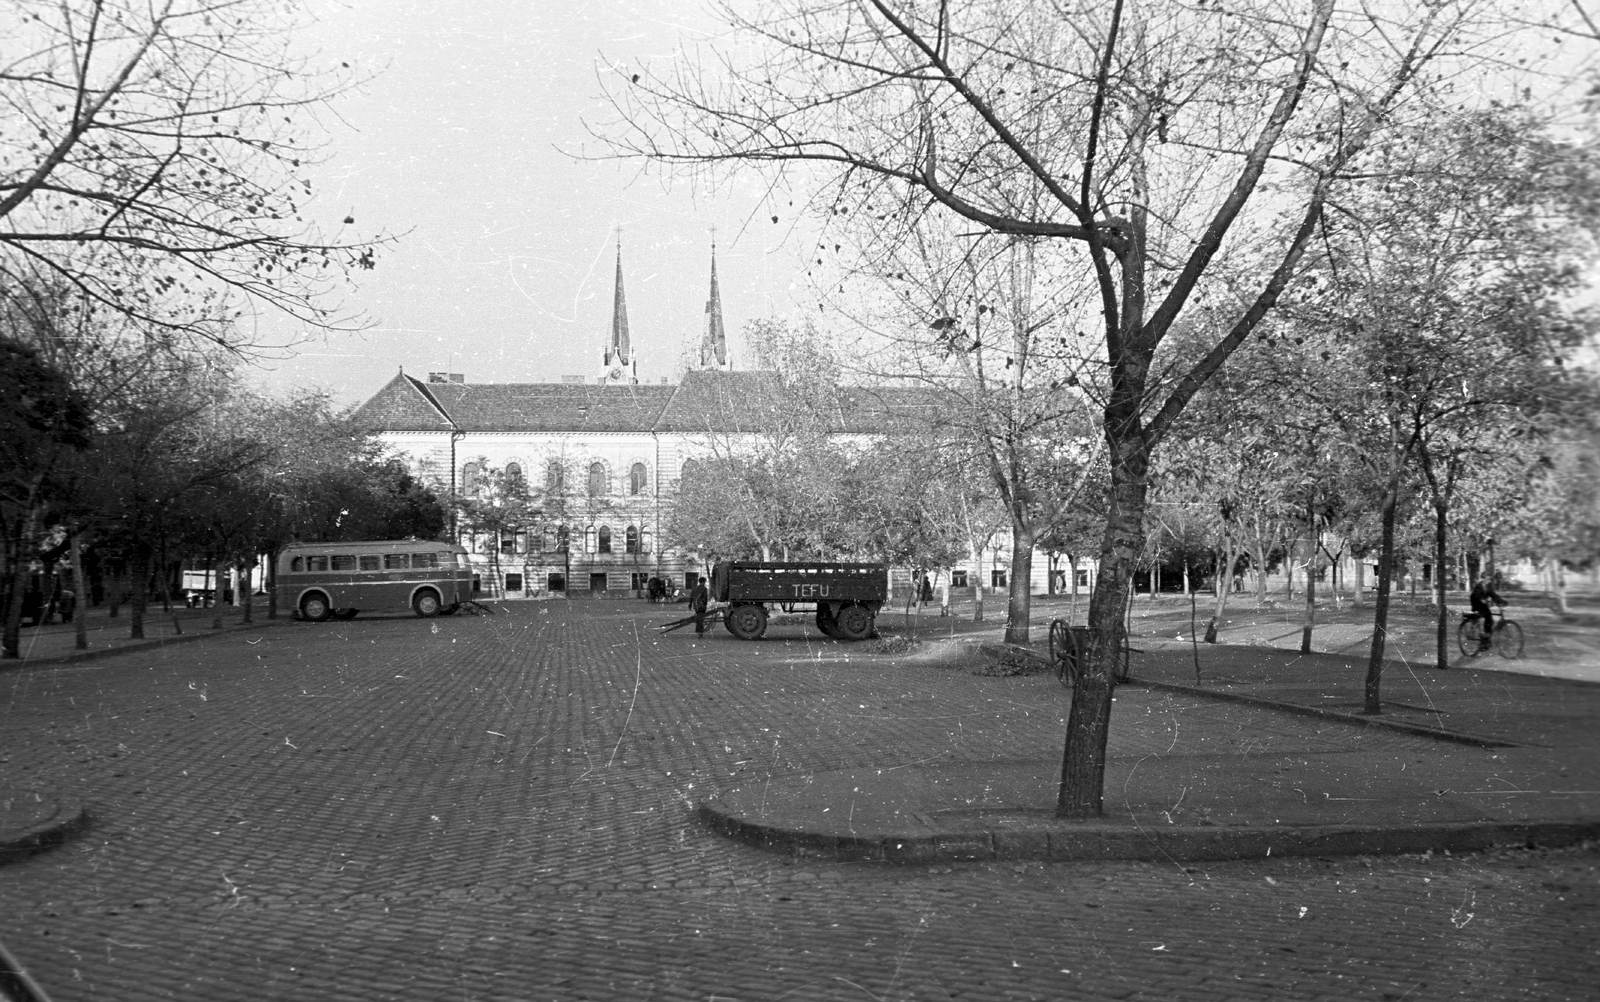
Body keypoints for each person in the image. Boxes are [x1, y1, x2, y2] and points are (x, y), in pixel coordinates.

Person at [1470, 573, 1506, 652]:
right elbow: (1475, 595)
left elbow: (1494, 595)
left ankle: (1487, 640)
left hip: (1484, 605)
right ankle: (1482, 642)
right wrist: (1481, 600)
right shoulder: (1478, 586)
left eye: (1489, 579)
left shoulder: (1488, 586)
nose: (1489, 580)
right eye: (1487, 578)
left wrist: (1501, 601)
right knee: (1483, 620)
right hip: (1477, 604)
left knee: (1490, 621)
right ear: (1483, 579)